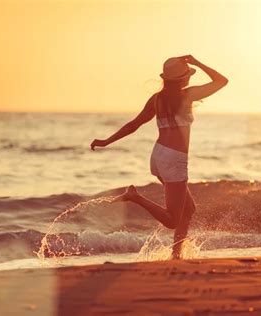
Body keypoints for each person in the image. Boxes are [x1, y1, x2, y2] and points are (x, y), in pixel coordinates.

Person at [90, 55, 228, 259]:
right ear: (184, 79)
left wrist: (106, 141)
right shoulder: (187, 96)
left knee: (187, 210)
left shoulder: (156, 99)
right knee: (172, 220)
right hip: (174, 160)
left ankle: (176, 255)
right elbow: (222, 81)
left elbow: (133, 125)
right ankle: (134, 197)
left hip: (158, 156)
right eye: (188, 75)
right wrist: (197, 63)